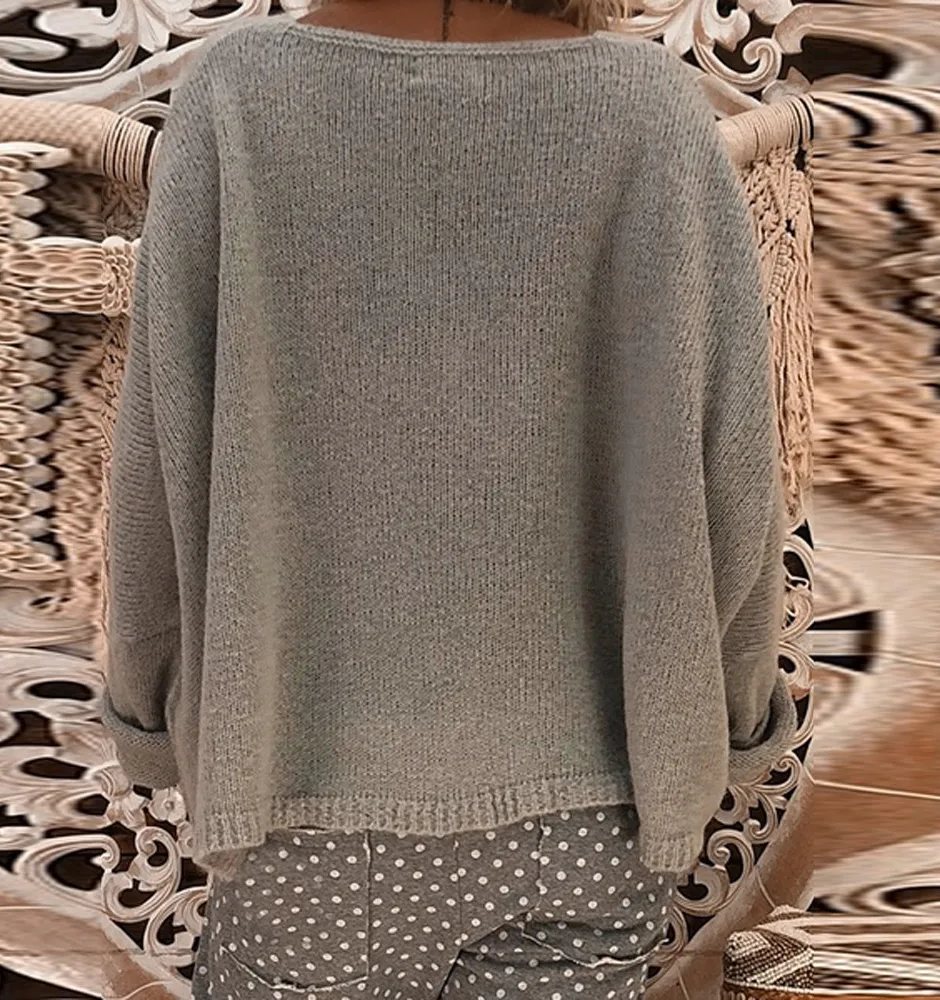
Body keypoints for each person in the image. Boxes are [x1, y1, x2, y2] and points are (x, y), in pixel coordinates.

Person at [100, 0, 799, 997]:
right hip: (593, 814)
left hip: (297, 804)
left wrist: (146, 712)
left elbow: (157, 460)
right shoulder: (652, 109)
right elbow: (734, 466)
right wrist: (734, 721)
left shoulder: (235, 93)